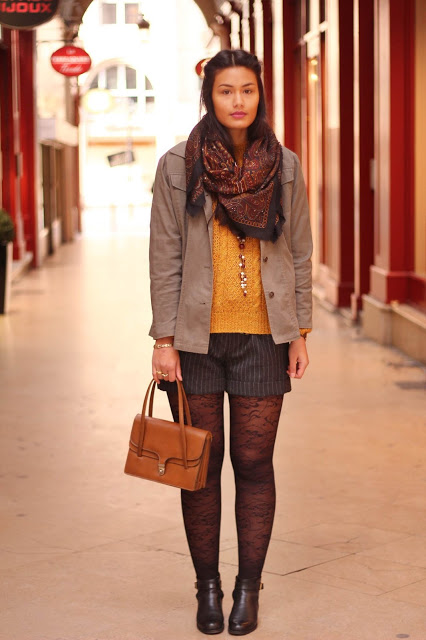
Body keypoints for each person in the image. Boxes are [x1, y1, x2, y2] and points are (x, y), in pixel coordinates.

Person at [149, 49, 312, 636]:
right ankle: (209, 587)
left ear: (260, 94)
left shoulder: (285, 165)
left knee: (253, 461)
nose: (237, 101)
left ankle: (248, 586)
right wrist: (164, 339)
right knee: (200, 466)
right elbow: (165, 255)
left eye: (247, 90)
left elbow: (300, 251)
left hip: (264, 336)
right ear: (209, 96)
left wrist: (300, 332)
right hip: (194, 340)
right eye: (226, 91)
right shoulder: (178, 165)